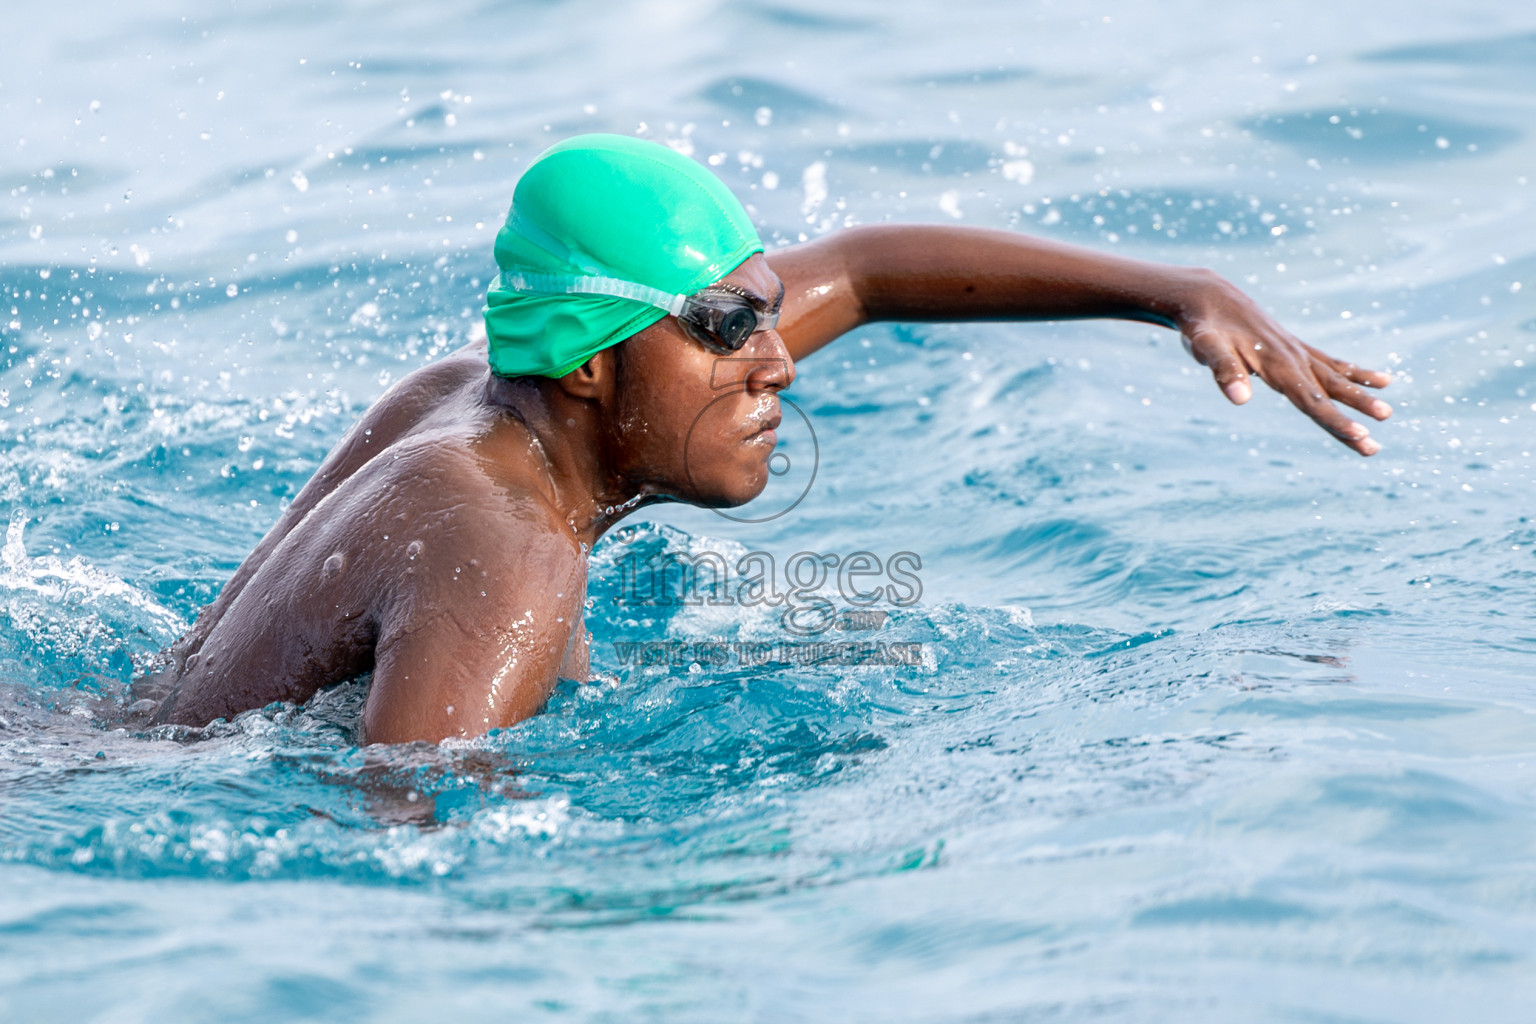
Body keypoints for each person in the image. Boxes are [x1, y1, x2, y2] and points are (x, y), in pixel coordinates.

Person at [137, 133, 1392, 744]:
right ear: (591, 361)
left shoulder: (474, 397)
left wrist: (1178, 288)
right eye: (729, 325)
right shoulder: (508, 545)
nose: (779, 357)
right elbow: (408, 834)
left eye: (768, 311)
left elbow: (862, 269)